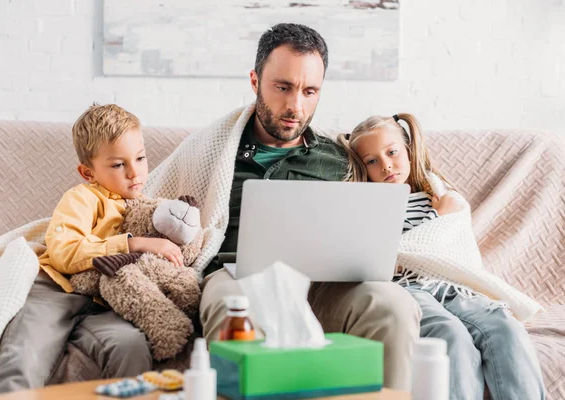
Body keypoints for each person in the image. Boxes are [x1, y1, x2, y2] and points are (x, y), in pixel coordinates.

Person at [143, 23, 421, 391]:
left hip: (325, 284)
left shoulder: (340, 158)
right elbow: (145, 201)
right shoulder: (210, 149)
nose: (296, 106)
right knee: (232, 306)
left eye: (310, 91)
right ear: (255, 81)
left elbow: (404, 188)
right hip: (236, 275)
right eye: (283, 87)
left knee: (392, 306)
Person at [338, 113, 545, 400]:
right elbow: (384, 254)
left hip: (448, 283)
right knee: (451, 335)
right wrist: (436, 218)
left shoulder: (438, 194)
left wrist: (441, 215)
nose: (385, 165)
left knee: (504, 326)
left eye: (392, 152)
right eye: (372, 161)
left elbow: (453, 242)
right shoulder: (369, 205)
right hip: (407, 288)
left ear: (409, 151)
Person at [0, 104, 185, 394]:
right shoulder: (82, 198)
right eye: (118, 165)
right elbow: (65, 251)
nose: (134, 173)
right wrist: (132, 243)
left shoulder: (149, 208)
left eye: (140, 158)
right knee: (23, 357)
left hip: (105, 303)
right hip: (57, 291)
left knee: (130, 347)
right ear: (87, 172)